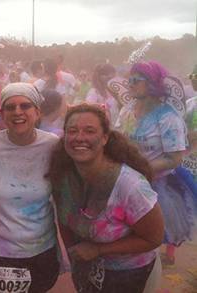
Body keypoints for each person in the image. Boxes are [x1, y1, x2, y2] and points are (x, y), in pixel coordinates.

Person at [48, 103, 164, 292]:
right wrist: (74, 255)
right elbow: (64, 218)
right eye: (72, 131)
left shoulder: (130, 186)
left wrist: (98, 250)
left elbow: (154, 238)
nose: (79, 137)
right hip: (86, 269)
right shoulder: (64, 177)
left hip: (128, 274)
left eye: (89, 131)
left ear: (104, 138)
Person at [0, 82, 61, 293]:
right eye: (10, 107)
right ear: (1, 114)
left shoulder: (54, 146)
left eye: (25, 106)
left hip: (43, 249)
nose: (17, 112)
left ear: (37, 112)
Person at [117, 61, 195, 265]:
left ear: (152, 84)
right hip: (126, 183)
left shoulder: (167, 117)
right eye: (129, 80)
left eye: (137, 80)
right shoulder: (127, 111)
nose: (131, 84)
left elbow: (174, 158)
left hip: (157, 186)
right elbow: (117, 141)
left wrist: (141, 170)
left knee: (151, 238)